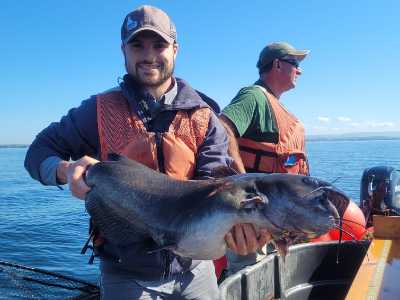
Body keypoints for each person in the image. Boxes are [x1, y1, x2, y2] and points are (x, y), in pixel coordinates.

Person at [24, 5, 270, 299]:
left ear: (175, 50)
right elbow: (38, 152)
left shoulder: (205, 118)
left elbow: (217, 187)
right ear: (123, 50)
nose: (148, 55)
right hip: (124, 272)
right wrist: (65, 170)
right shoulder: (97, 111)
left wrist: (241, 231)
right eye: (137, 45)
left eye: (159, 44)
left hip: (196, 271)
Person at [219, 42, 310, 273]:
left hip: (276, 220)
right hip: (251, 222)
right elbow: (222, 129)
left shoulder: (276, 106)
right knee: (250, 280)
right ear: (277, 64)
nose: (299, 70)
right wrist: (243, 187)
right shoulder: (253, 96)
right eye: (295, 64)